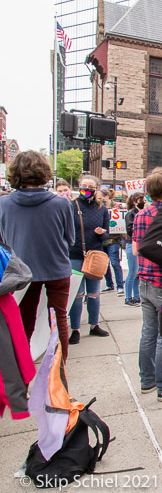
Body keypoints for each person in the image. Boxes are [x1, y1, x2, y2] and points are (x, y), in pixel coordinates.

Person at [0, 151, 75, 359]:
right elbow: (70, 239)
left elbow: (3, 240)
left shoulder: (3, 204)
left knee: (22, 326)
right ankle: (58, 381)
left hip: (20, 272)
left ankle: (20, 383)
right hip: (57, 269)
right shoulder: (62, 204)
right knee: (58, 322)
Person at [132, 169, 162, 401]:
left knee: (148, 333)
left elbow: (135, 249)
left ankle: (147, 380)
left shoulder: (141, 214)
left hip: (144, 281)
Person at [67, 174, 110, 344]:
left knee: (94, 293)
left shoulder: (102, 209)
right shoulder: (71, 206)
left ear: (96, 189)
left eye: (90, 186)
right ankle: (75, 328)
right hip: (76, 255)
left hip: (95, 255)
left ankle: (94, 325)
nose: (86, 189)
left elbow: (107, 235)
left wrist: (102, 234)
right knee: (77, 295)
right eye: (84, 185)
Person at [124, 192, 145, 306]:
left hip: (138, 243)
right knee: (132, 272)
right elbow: (130, 230)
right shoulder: (130, 214)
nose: (144, 202)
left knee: (137, 273)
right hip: (132, 244)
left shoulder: (141, 213)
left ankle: (136, 296)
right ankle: (128, 298)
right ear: (134, 202)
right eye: (141, 199)